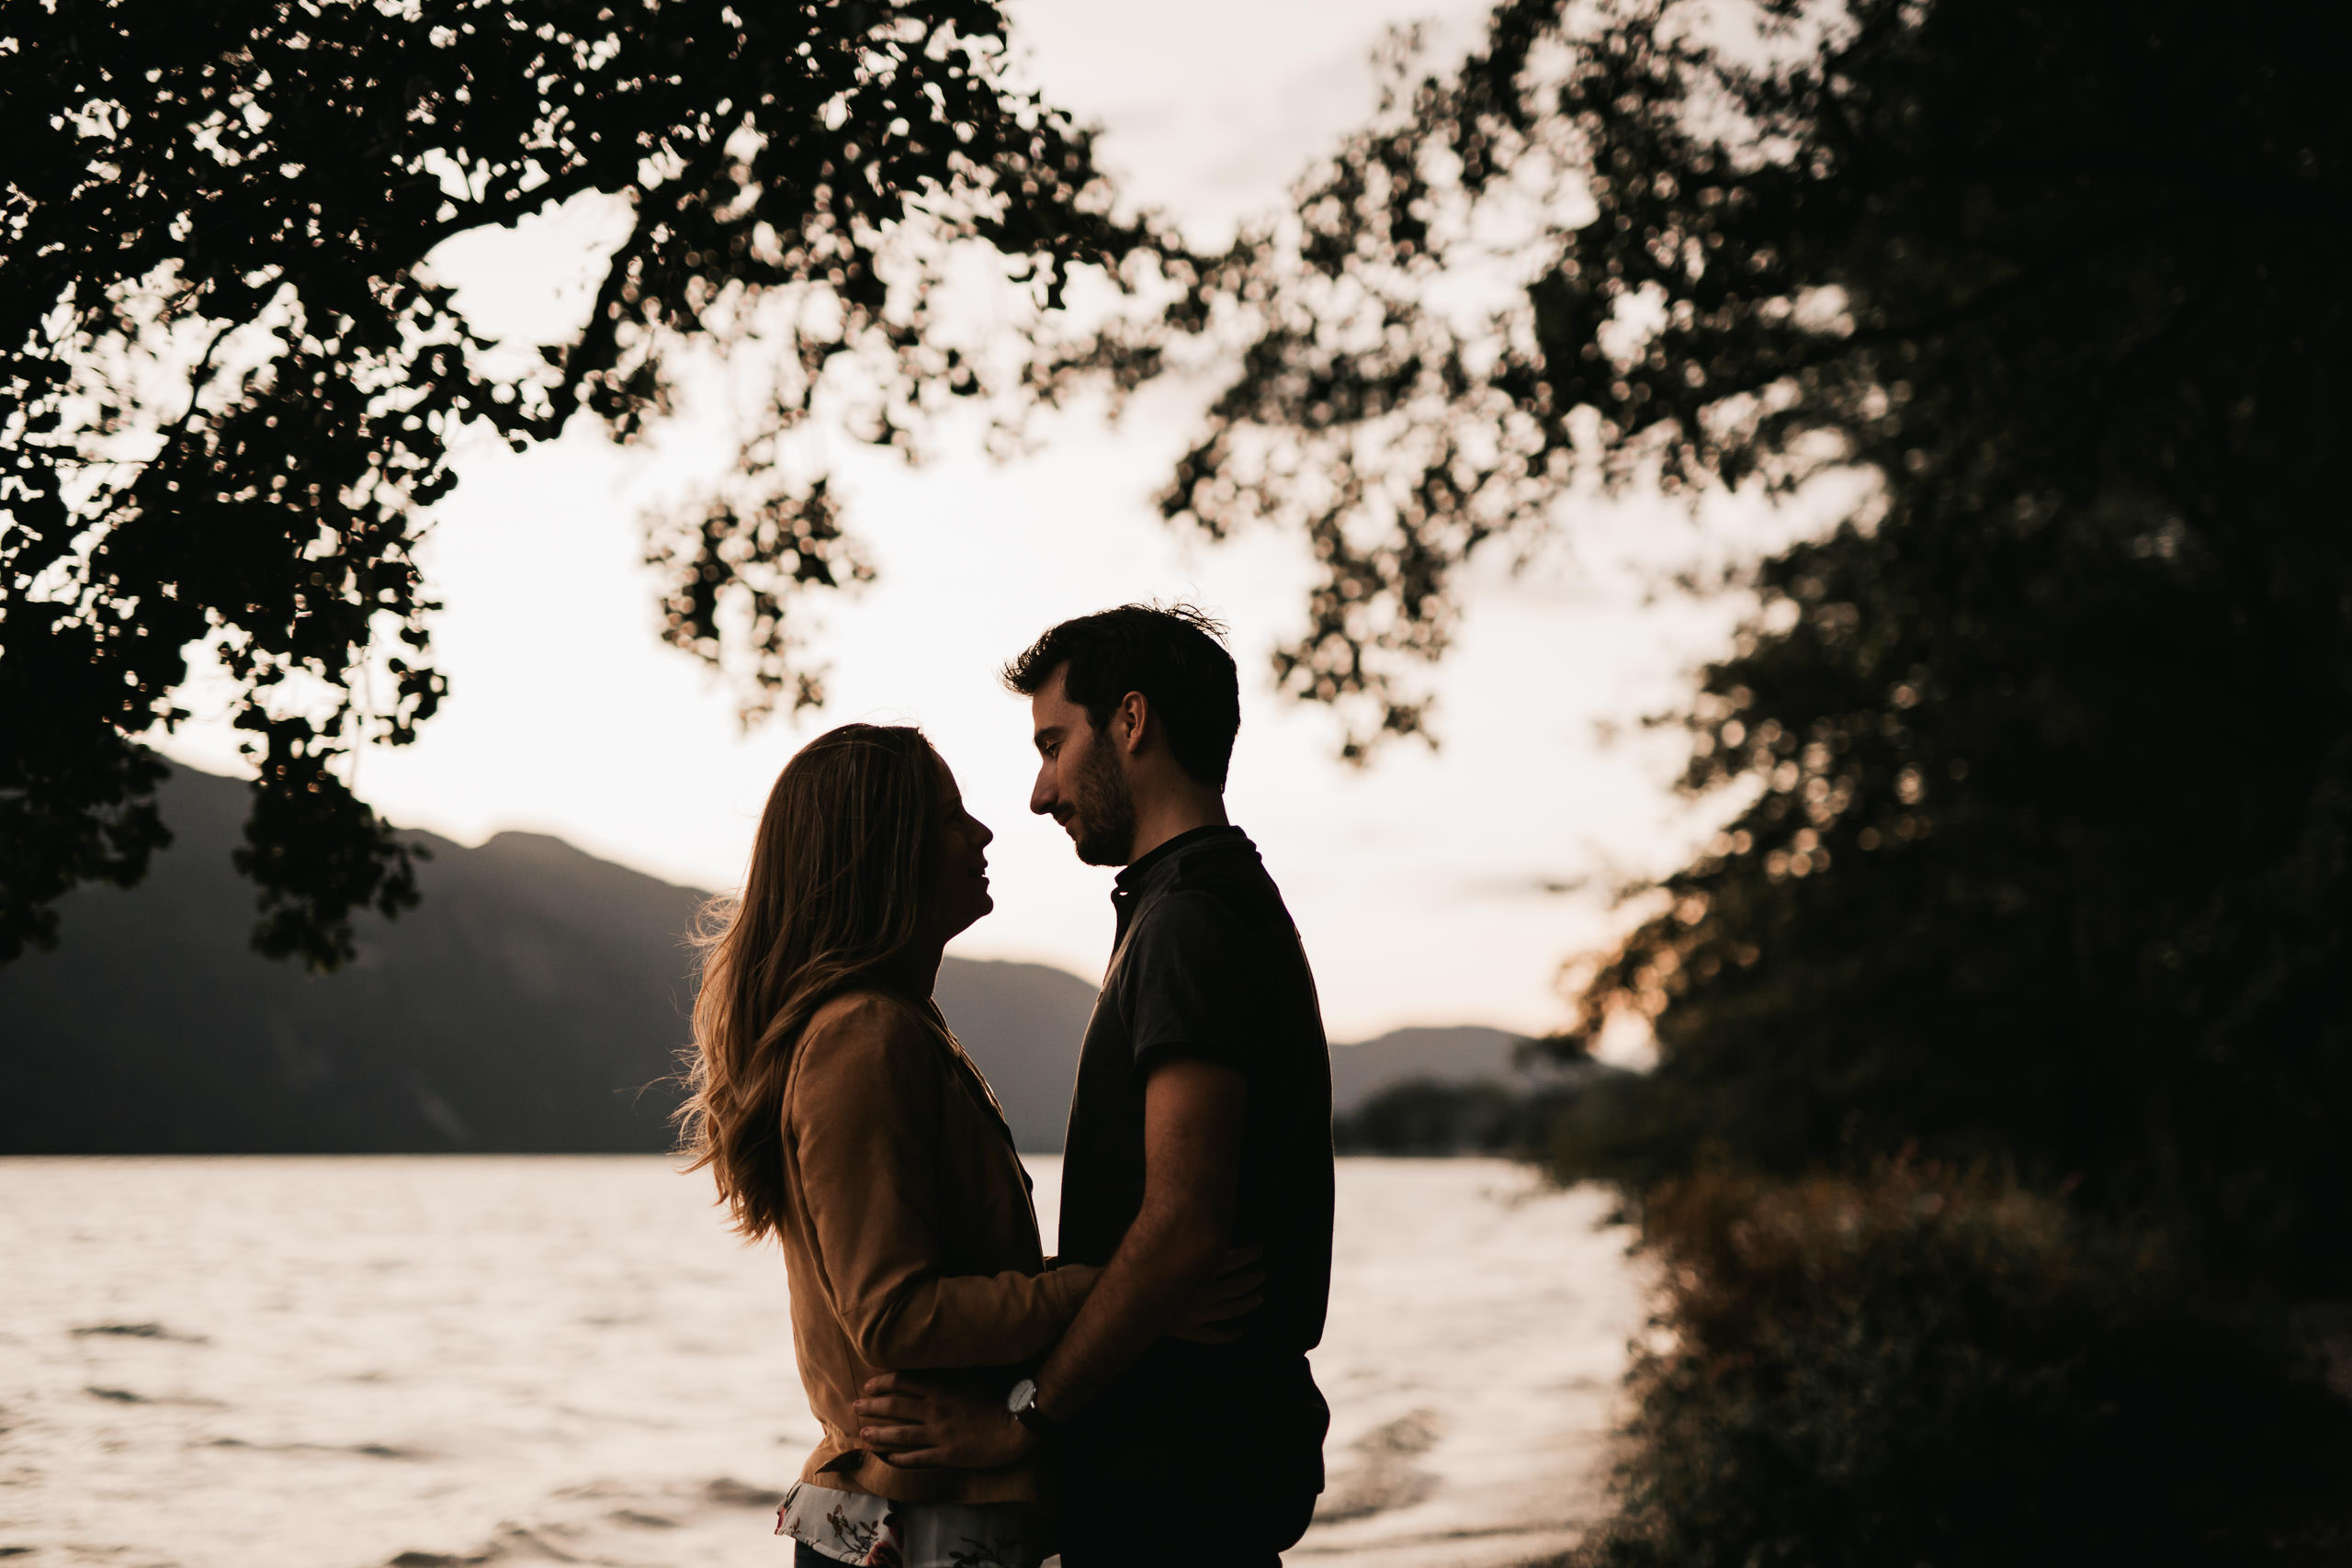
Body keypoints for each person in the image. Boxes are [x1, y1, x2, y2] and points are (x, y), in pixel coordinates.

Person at [679, 723, 1253, 1568]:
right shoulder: (864, 1035)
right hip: (908, 1524)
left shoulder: (900, 1025)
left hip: (920, 1512)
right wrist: (1114, 1290)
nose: (983, 833)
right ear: (884, 852)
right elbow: (896, 1316)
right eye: (951, 818)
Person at [855, 605, 1337, 1567]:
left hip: (1181, 1479)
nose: (1039, 793)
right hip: (1186, 1466)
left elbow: (1181, 1227)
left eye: (1052, 744)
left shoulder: (1191, 919)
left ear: (1130, 721)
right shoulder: (1199, 904)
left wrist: (1025, 1418)